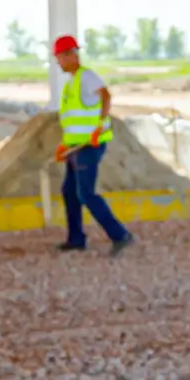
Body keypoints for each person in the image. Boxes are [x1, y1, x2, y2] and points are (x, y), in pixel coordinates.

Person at [52, 35, 134, 256]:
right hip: (76, 147)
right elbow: (73, 121)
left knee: (85, 193)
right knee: (69, 192)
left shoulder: (86, 77)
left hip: (89, 146)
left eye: (59, 57)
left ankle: (120, 235)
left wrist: (99, 126)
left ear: (70, 55)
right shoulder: (72, 82)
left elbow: (106, 96)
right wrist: (63, 146)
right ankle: (76, 239)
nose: (58, 62)